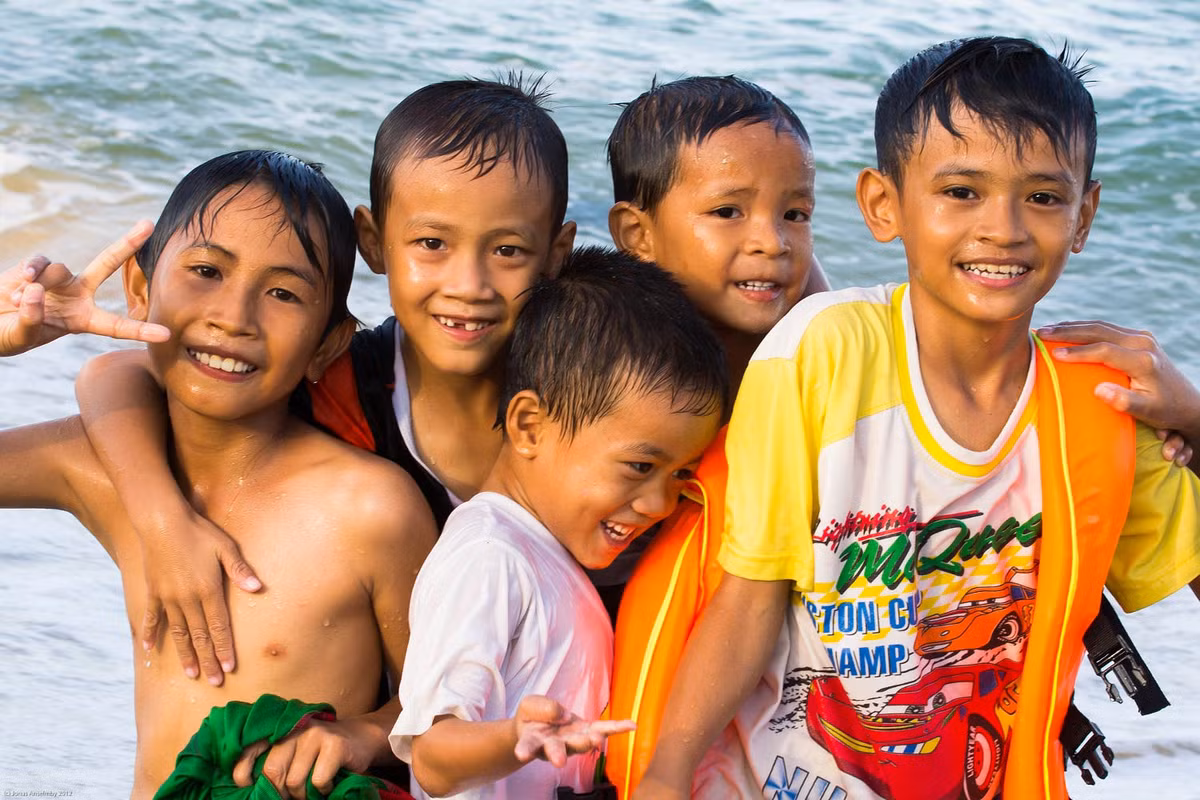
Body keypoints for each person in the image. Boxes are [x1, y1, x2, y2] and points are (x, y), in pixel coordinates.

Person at [629, 38, 1200, 800]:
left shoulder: (1098, 403)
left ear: (1085, 213)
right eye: (961, 191)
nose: (1003, 228)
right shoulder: (822, 352)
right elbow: (748, 598)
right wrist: (664, 778)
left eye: (1043, 196)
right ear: (883, 205)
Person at [67, 75, 577, 688]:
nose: (468, 284)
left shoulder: (584, 389)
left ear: (557, 251)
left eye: (508, 251)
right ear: (373, 241)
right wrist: (160, 515)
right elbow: (128, 369)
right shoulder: (333, 376)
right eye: (433, 243)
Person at [0, 150, 437, 799]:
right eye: (206, 271)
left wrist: (363, 735)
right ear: (140, 290)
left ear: (327, 343)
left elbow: (443, 705)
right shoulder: (100, 471)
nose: (234, 317)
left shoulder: (368, 509)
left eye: (283, 293)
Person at [391, 246, 727, 799]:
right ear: (528, 426)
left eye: (680, 474)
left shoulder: (538, 554)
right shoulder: (489, 557)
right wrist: (515, 738)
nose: (661, 503)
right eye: (640, 467)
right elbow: (431, 755)